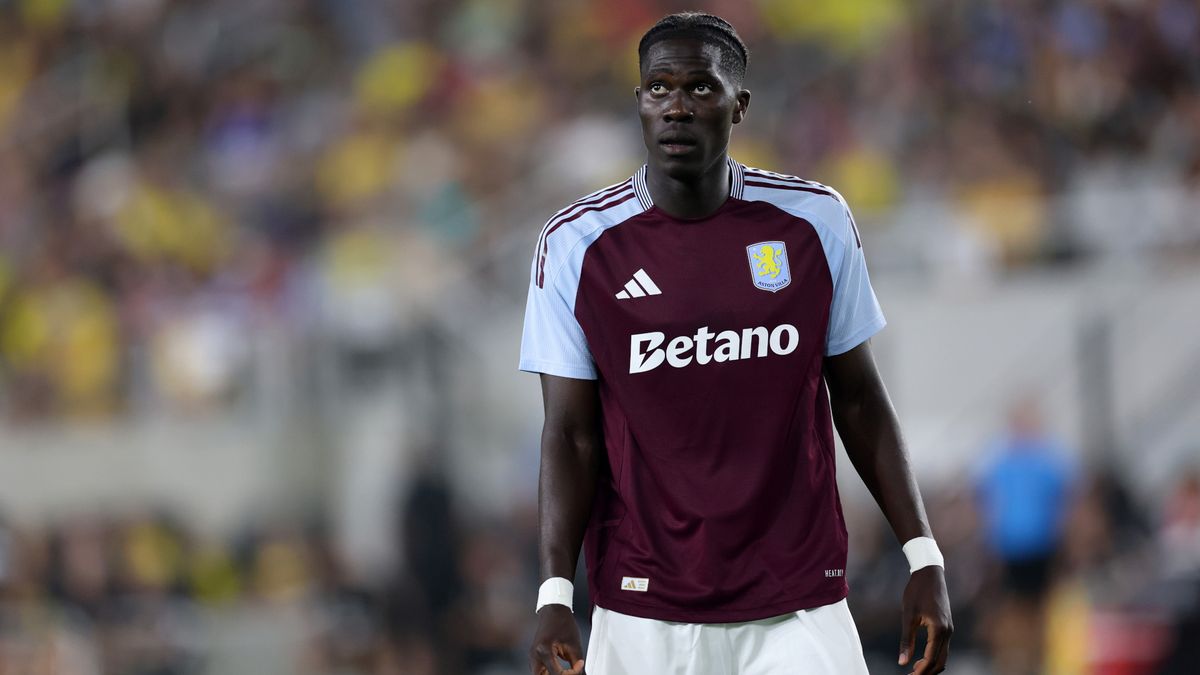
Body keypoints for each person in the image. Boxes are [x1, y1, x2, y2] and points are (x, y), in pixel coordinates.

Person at [519, 12, 951, 675]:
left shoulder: (814, 222)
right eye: (659, 88)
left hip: (797, 603)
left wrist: (923, 554)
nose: (677, 107)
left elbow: (860, 400)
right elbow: (570, 433)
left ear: (739, 104)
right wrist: (554, 593)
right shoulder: (576, 244)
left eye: (700, 87)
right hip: (643, 607)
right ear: (639, 101)